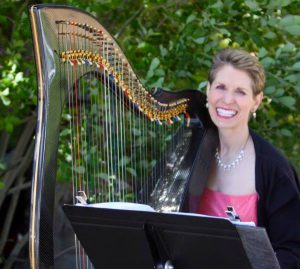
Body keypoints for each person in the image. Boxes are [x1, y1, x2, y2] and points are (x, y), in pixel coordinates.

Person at [196, 48, 300, 269]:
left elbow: (293, 252)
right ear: (208, 90)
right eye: (220, 87)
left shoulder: (274, 169)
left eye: (240, 92)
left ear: (256, 101)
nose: (227, 99)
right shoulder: (190, 153)